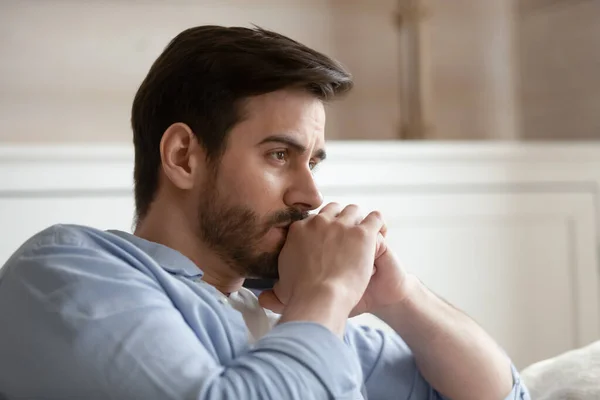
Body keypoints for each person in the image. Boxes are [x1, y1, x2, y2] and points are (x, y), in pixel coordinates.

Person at [0, 25, 529, 399]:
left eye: (313, 161)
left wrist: (402, 298)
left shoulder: (290, 314)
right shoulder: (69, 270)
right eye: (280, 155)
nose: (310, 195)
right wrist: (326, 295)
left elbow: (504, 395)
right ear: (184, 156)